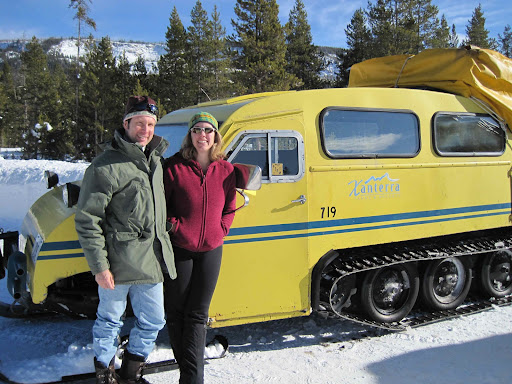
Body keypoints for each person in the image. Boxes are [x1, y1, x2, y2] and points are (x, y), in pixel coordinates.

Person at [75, 95, 176, 384]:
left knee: (155, 320)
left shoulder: (156, 160)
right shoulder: (105, 166)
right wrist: (99, 266)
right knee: (109, 321)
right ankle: (105, 372)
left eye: (151, 124)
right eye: (140, 123)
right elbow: (87, 219)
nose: (145, 130)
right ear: (126, 124)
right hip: (116, 263)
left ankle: (131, 371)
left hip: (150, 259)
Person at [163, 111, 237, 384]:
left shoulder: (226, 170)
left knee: (197, 314)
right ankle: (190, 375)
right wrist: (174, 226)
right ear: (190, 135)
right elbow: (162, 207)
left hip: (211, 250)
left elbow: (230, 206)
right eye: (197, 130)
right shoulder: (173, 167)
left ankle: (192, 378)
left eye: (208, 130)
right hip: (180, 248)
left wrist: (222, 229)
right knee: (176, 312)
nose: (202, 135)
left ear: (215, 136)